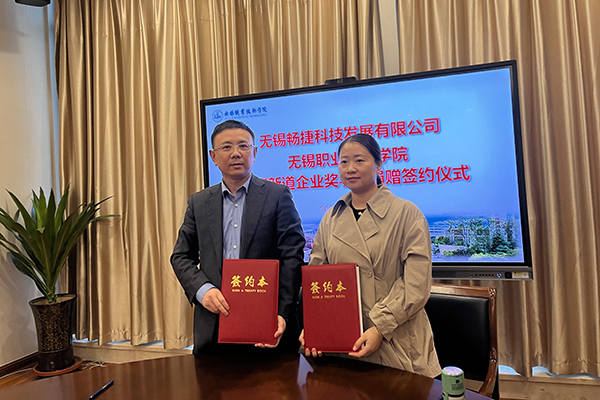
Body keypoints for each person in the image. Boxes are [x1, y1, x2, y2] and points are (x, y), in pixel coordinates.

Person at [299, 133, 441, 378]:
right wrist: (315, 325)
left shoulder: (407, 214)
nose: (350, 168)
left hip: (395, 337)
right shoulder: (330, 218)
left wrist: (380, 327)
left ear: (379, 164)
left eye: (359, 160)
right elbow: (317, 279)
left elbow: (416, 285)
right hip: (343, 341)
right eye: (344, 162)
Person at [171, 119, 305, 354]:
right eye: (226, 147)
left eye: (243, 146)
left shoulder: (277, 195)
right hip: (214, 325)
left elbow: (292, 257)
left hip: (268, 323)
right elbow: (181, 256)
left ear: (254, 152)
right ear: (213, 156)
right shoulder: (199, 202)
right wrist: (203, 290)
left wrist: (283, 312)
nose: (236, 153)